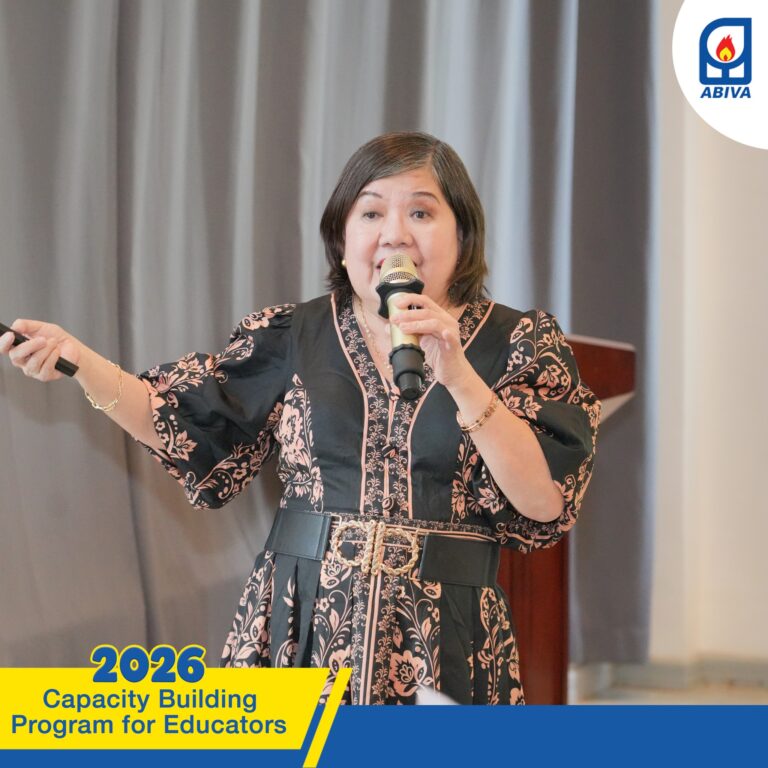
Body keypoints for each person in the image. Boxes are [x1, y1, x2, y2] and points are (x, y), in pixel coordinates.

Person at [0, 132, 600, 705]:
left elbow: (544, 503)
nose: (395, 234)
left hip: (449, 641)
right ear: (341, 237)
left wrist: (461, 376)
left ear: (463, 234)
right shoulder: (295, 334)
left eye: (421, 212)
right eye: (371, 213)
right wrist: (82, 364)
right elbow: (187, 425)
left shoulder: (518, 343)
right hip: (299, 624)